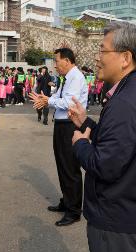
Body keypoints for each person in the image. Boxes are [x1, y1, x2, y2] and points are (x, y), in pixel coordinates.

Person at [68, 22, 136, 252]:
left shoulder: (126, 102)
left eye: (102, 51)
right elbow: (119, 145)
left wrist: (80, 144)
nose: (97, 58)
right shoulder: (133, 93)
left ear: (125, 58)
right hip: (124, 211)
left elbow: (105, 165)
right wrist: (85, 121)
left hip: (115, 218)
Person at [30, 48, 88, 227]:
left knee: (70, 168)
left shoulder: (76, 77)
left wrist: (48, 101)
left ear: (68, 61)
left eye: (57, 61)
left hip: (70, 125)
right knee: (63, 165)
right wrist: (46, 97)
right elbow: (59, 96)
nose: (55, 65)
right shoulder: (67, 78)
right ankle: (67, 201)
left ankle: (74, 211)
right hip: (62, 125)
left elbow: (70, 102)